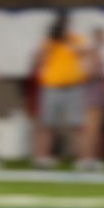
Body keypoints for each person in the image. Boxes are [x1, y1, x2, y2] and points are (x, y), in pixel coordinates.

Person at [31, 10, 90, 168]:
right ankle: (42, 158)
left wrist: (66, 41)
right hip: (52, 86)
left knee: (78, 124)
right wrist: (50, 43)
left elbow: (83, 53)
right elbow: (39, 61)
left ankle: (83, 159)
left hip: (73, 86)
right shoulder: (49, 41)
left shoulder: (75, 39)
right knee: (46, 124)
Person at [77, 26, 104, 171]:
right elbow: (85, 73)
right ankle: (85, 158)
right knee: (89, 129)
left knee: (95, 129)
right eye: (101, 36)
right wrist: (94, 70)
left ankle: (91, 157)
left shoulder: (98, 53)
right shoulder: (90, 53)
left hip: (98, 94)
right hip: (90, 94)